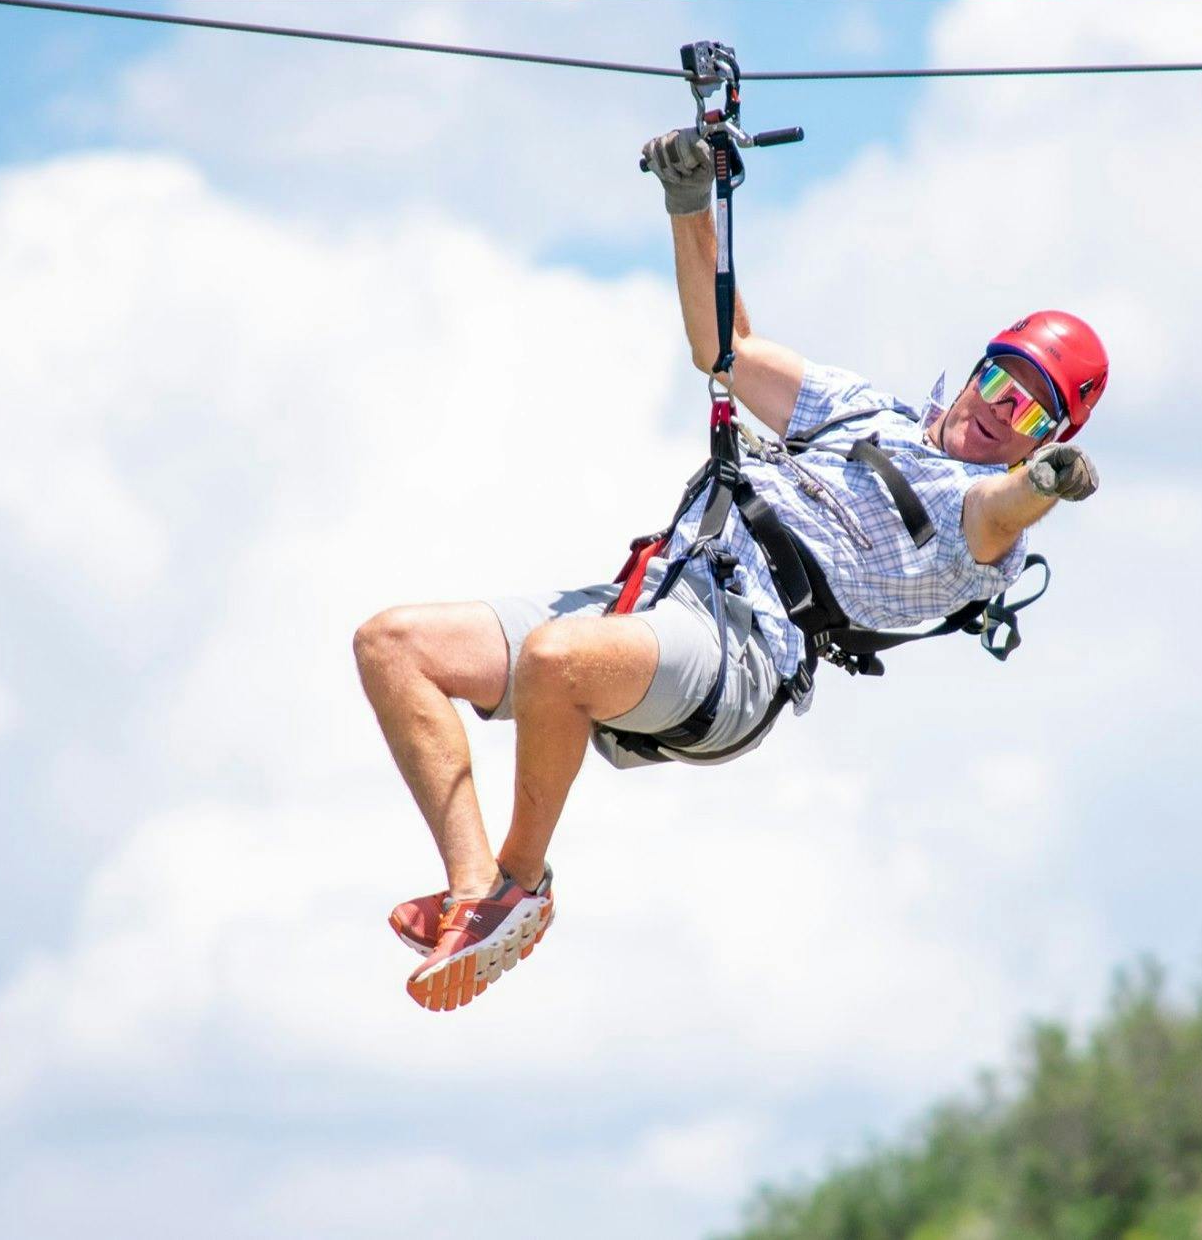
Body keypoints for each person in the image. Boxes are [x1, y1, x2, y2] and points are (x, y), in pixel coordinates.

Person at [353, 129, 1108, 1012]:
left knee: (560, 658)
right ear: (976, 367)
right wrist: (690, 204)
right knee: (392, 645)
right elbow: (726, 349)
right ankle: (470, 884)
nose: (995, 407)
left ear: (1044, 435)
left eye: (1027, 409)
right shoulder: (866, 409)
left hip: (742, 652)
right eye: (998, 377)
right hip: (658, 589)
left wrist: (1045, 482)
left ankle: (515, 888)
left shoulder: (976, 519)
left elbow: (1001, 510)